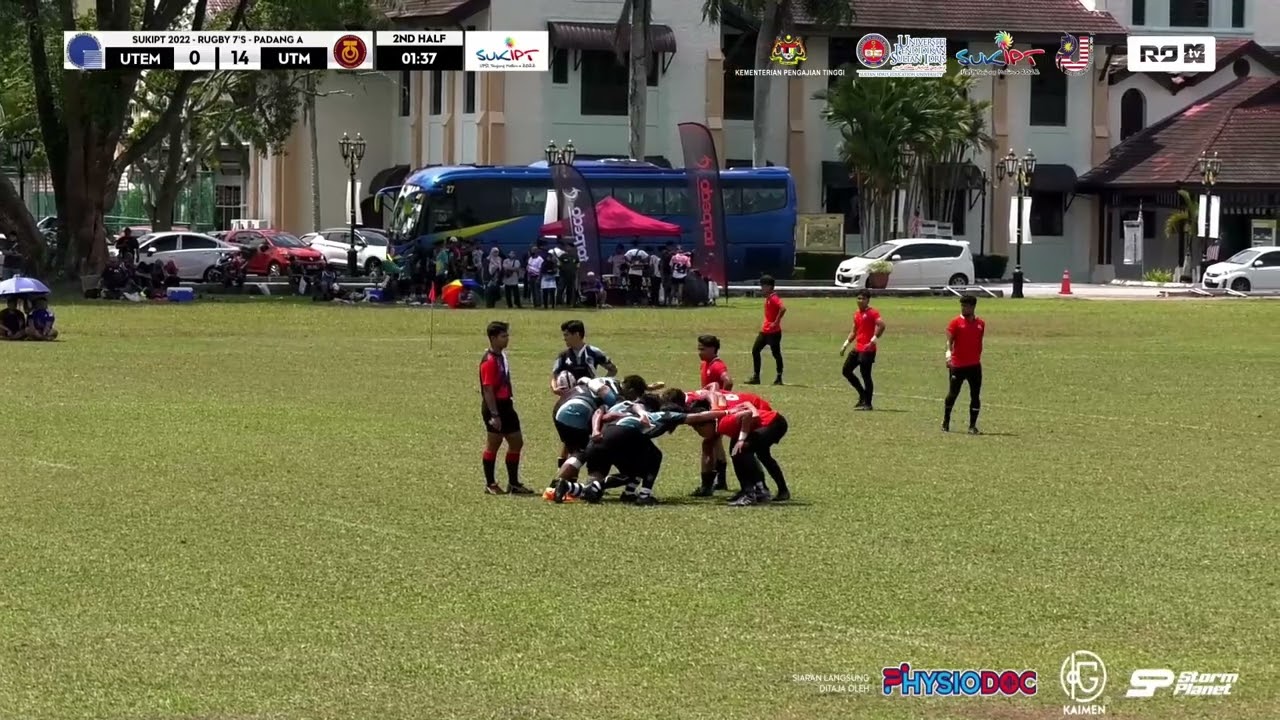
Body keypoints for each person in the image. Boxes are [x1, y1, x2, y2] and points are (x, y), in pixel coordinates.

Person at [479, 321, 532, 494]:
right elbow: (487, 389)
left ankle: (514, 483)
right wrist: (494, 414)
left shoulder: (501, 356)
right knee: (494, 443)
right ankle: (490, 483)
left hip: (507, 405)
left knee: (516, 441)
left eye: (507, 335)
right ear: (493, 338)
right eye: (503, 336)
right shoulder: (489, 361)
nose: (507, 339)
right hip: (495, 406)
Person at [943, 295, 986, 434]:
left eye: (966, 306)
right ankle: (946, 421)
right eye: (962, 305)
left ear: (973, 307)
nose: (963, 308)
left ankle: (972, 426)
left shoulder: (980, 324)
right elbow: (949, 341)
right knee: (953, 394)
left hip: (974, 365)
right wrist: (948, 355)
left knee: (975, 395)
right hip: (958, 366)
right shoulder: (955, 323)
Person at [840, 289, 886, 410]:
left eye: (863, 299)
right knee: (846, 370)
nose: (860, 301)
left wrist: (873, 340)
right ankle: (862, 395)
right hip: (858, 347)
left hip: (868, 350)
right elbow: (854, 330)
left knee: (866, 375)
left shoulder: (872, 313)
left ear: (867, 300)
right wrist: (845, 344)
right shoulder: (857, 314)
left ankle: (868, 403)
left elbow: (881, 325)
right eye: (858, 298)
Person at [747, 275, 785, 385]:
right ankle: (756, 377)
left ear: (769, 287)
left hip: (773, 332)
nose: (761, 288)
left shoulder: (774, 298)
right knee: (755, 350)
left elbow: (783, 308)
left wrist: (776, 322)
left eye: (763, 286)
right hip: (765, 331)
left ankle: (779, 377)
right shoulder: (768, 298)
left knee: (776, 354)